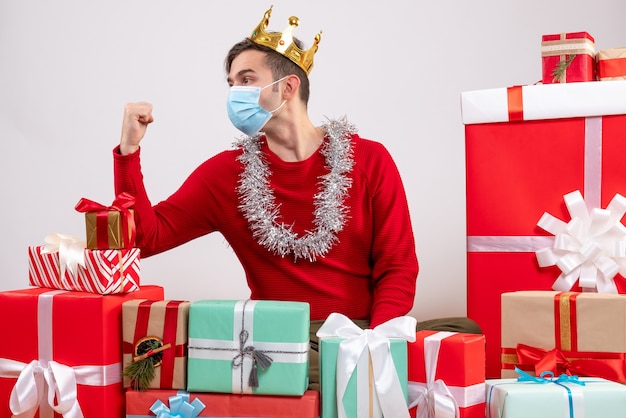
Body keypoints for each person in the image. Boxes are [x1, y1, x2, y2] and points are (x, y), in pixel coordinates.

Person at [114, 6, 480, 389]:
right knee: (291, 366)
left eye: (246, 79)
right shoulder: (225, 174)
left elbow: (398, 266)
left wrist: (376, 342)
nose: (234, 93)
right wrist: (128, 153)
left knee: (464, 334)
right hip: (284, 340)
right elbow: (144, 238)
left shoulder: (370, 159)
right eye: (231, 84)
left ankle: (350, 370)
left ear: (287, 88)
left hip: (364, 329)